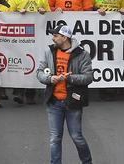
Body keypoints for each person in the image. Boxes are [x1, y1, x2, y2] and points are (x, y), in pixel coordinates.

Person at [36, 26, 94, 164]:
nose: (53, 38)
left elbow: (88, 77)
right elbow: (39, 72)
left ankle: (87, 162)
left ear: (64, 37)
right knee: (54, 138)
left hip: (72, 102)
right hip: (54, 101)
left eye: (56, 36)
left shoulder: (82, 54)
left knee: (76, 136)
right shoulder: (49, 52)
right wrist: (50, 79)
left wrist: (70, 78)